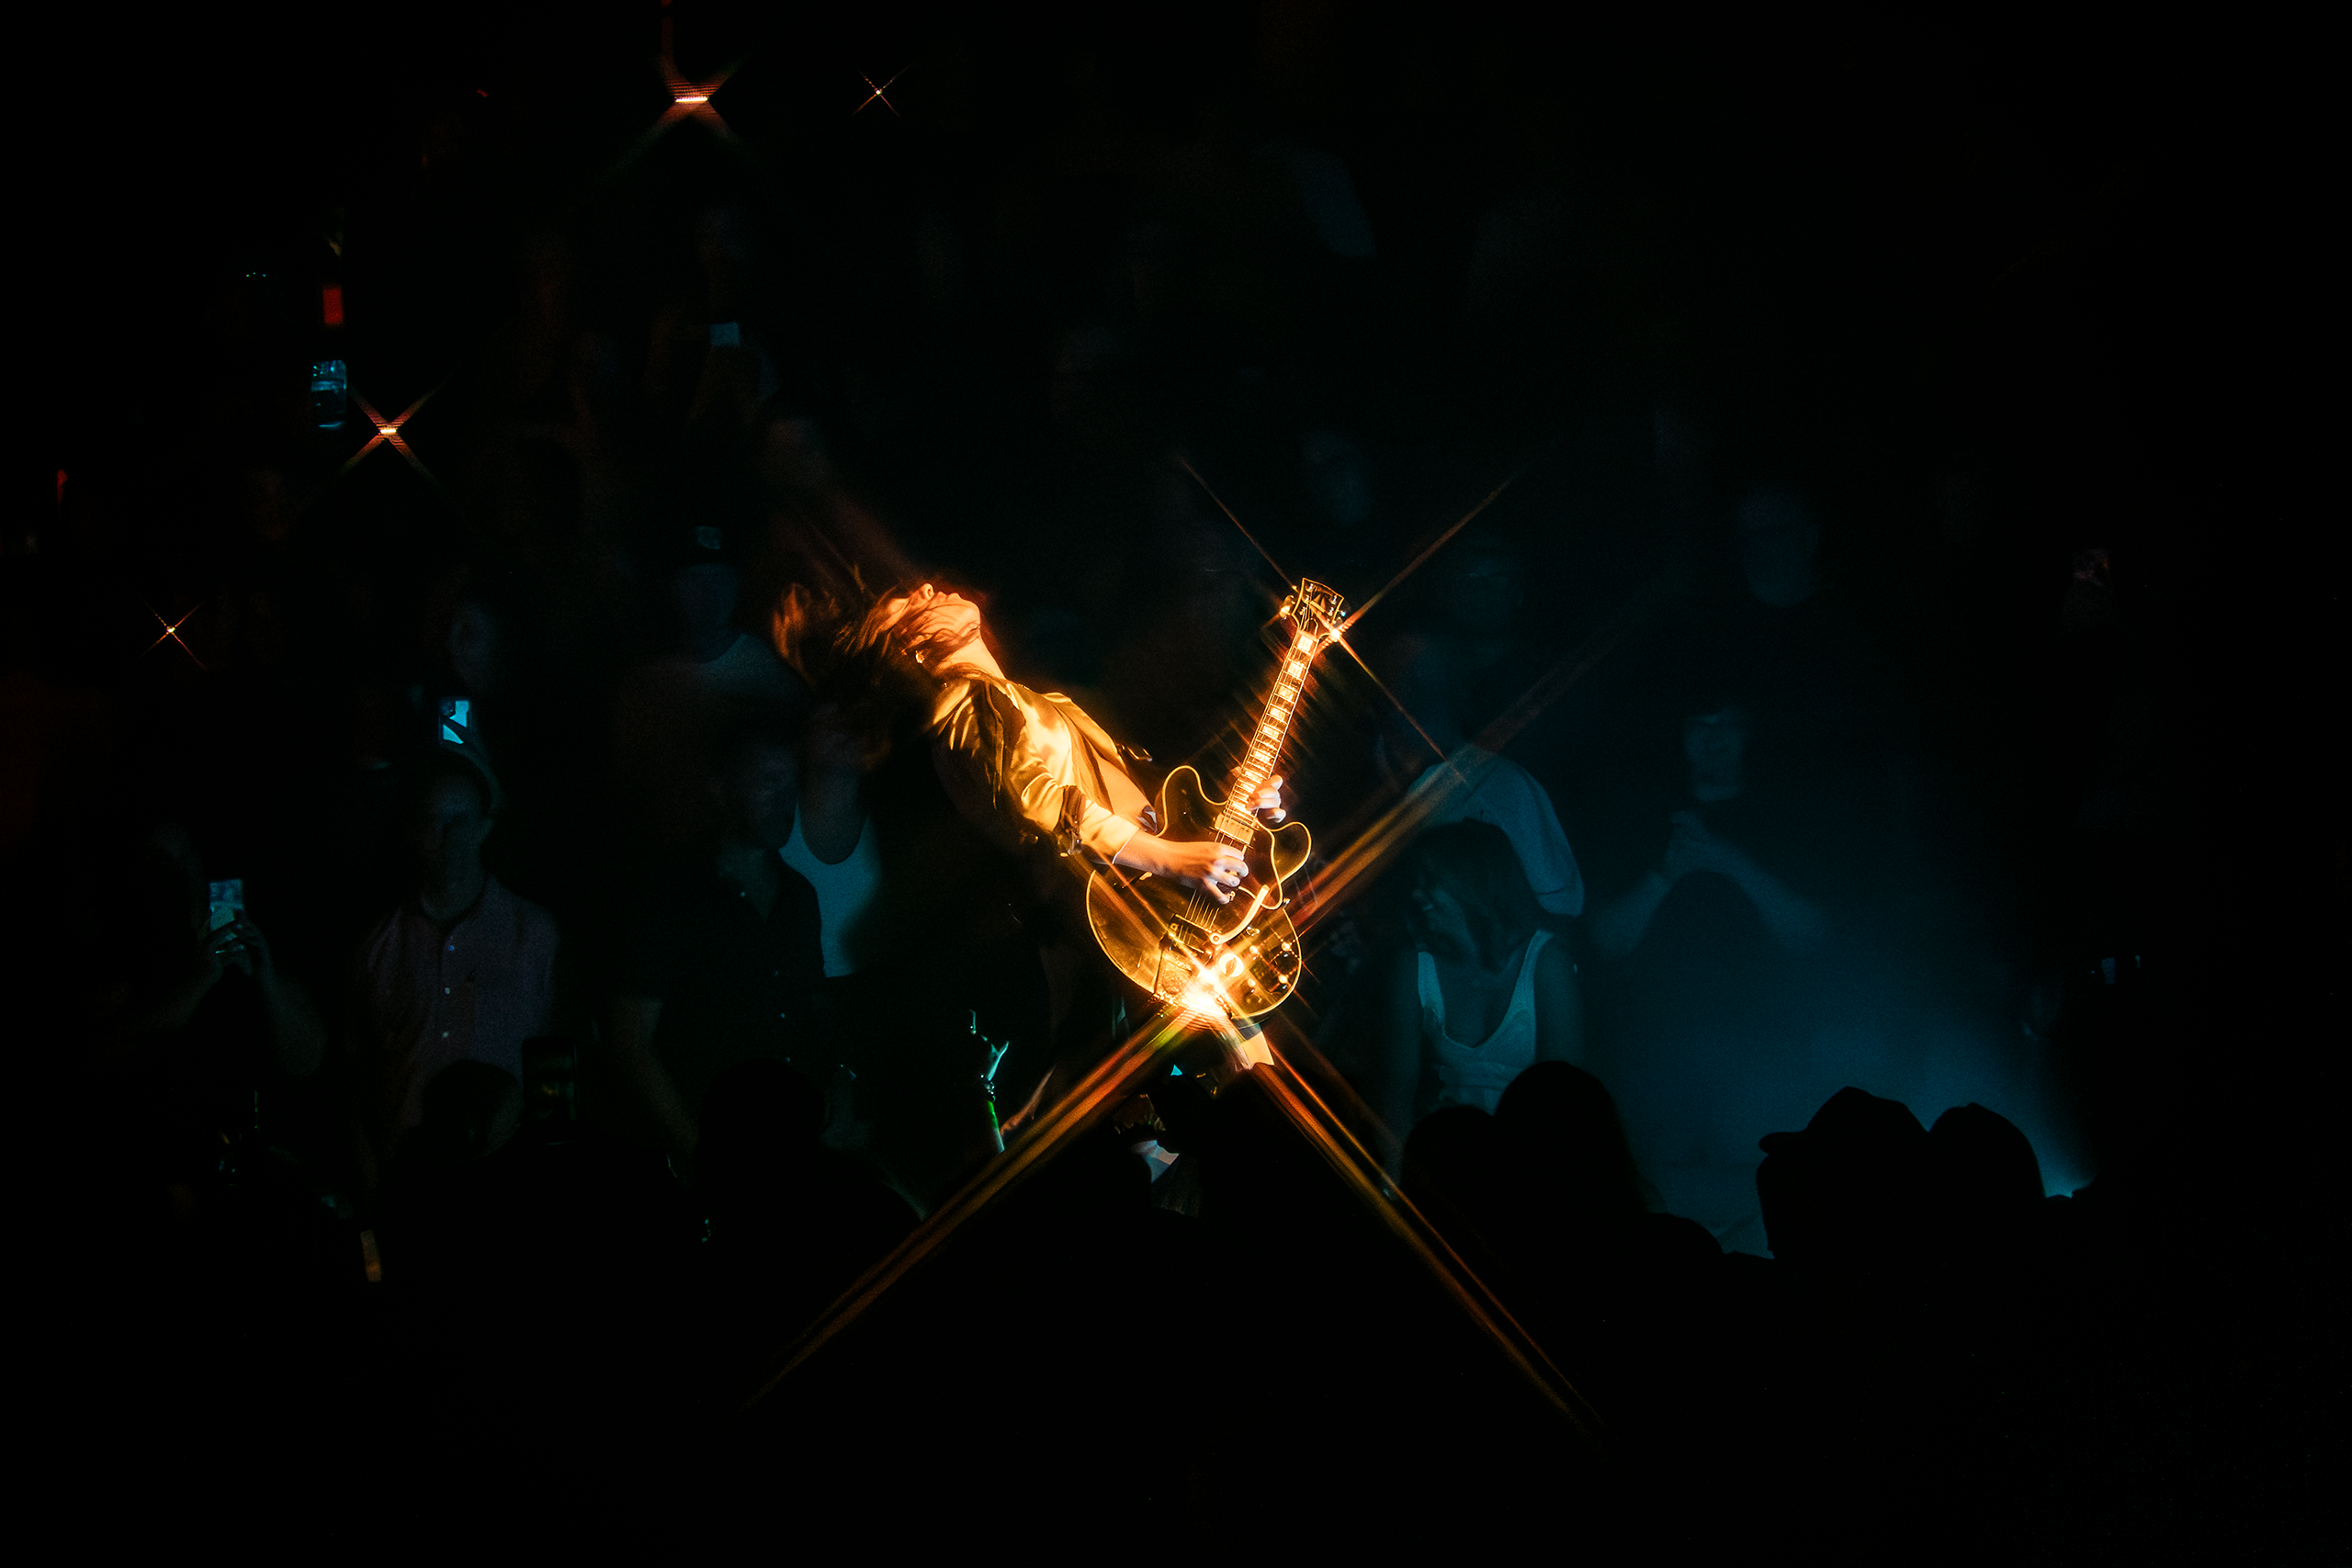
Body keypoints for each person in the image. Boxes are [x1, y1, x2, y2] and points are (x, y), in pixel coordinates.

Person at [606, 712, 823, 1157]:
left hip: (793, 1143)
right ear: (721, 790)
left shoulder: (798, 896)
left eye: (791, 781)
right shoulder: (671, 897)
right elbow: (628, 1039)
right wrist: (695, 1146)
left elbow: (812, 1014)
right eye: (768, 780)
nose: (786, 798)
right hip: (713, 1150)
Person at [354, 747, 561, 1156]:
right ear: (411, 830)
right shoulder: (377, 944)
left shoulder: (535, 936)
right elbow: (356, 1072)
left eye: (457, 820)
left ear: (485, 825)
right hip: (411, 1180)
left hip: (511, 1175)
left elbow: (557, 1061)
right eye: (431, 823)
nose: (445, 838)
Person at [1374, 822, 1582, 1155]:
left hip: (1535, 1153)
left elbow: (1567, 1100)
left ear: (1472, 884)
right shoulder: (1413, 965)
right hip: (1450, 1152)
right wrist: (1394, 1185)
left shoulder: (1545, 963)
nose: (1416, 894)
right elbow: (1394, 1095)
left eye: (1431, 881)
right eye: (1417, 882)